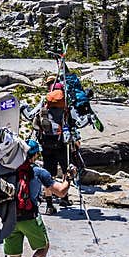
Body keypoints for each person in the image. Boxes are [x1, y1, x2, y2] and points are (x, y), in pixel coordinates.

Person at [3, 139, 74, 257]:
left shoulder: (8, 170)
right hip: (29, 217)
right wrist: (69, 177)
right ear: (35, 155)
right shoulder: (39, 172)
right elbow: (61, 192)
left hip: (10, 219)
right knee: (44, 246)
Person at [23, 75, 79, 214]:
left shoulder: (44, 101)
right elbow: (75, 122)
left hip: (46, 142)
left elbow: (30, 116)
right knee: (66, 169)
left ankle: (49, 205)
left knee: (48, 174)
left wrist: (23, 108)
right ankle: (64, 197)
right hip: (62, 143)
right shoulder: (66, 102)